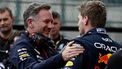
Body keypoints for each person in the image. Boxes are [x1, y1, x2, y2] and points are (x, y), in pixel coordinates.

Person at [9, 3, 84, 69]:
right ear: (30, 23)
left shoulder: (46, 44)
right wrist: (61, 57)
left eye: (52, 22)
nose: (51, 26)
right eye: (46, 21)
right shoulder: (21, 45)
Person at [63, 1, 122, 69]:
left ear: (85, 19)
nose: (78, 23)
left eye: (78, 19)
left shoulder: (79, 45)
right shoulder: (119, 49)